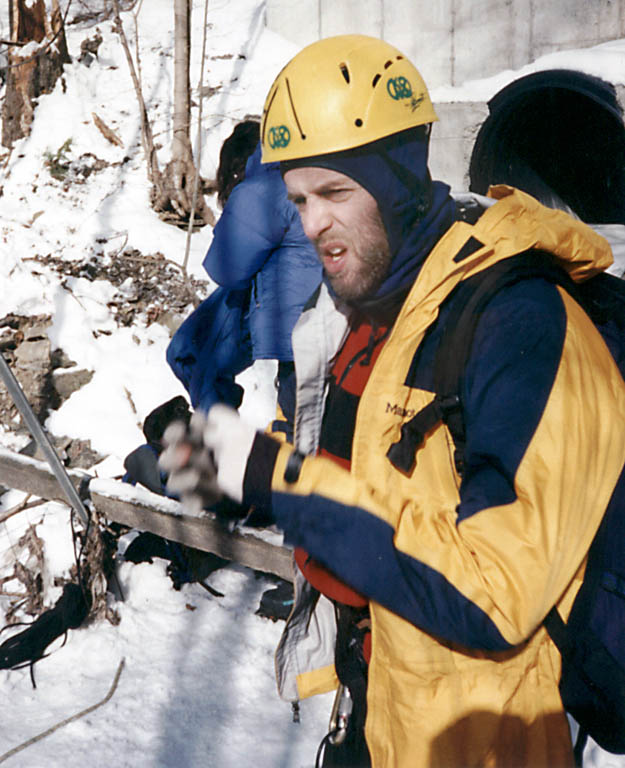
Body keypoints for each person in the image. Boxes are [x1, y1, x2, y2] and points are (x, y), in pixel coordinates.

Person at [159, 35, 625, 768]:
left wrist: (280, 484)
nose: (311, 225)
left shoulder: (521, 324)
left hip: (486, 739)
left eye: (335, 192)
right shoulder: (383, 312)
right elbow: (383, 499)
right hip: (381, 707)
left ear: (401, 178)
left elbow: (494, 592)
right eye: (298, 199)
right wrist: (242, 479)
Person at [166, 118, 321, 427]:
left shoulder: (262, 187)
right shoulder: (311, 170)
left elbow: (224, 267)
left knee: (189, 352)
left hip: (301, 332)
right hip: (330, 323)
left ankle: (223, 447)